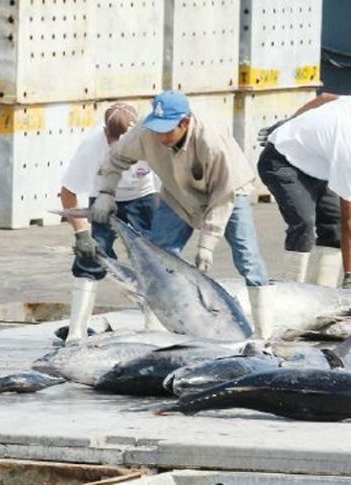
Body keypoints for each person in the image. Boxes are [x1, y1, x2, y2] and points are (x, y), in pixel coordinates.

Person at [88, 91, 274, 338]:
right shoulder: (146, 132)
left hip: (229, 193)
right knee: (159, 255)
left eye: (167, 130)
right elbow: (116, 159)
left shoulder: (211, 139)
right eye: (157, 129)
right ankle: (154, 328)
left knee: (247, 257)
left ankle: (264, 335)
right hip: (178, 196)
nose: (161, 136)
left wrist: (207, 245)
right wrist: (105, 193)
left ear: (185, 122)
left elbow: (223, 196)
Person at [257, 93, 351, 289]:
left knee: (333, 224)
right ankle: (291, 288)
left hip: (319, 165)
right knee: (304, 222)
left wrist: (292, 119)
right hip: (281, 159)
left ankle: (323, 290)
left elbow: (325, 97)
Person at [60, 103, 164, 344]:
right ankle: (76, 333)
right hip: (103, 199)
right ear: (106, 133)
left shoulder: (153, 142)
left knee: (151, 260)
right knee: (90, 258)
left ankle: (155, 325)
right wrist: (82, 233)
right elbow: (68, 193)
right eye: (114, 140)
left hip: (143, 196)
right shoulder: (92, 147)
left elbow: (166, 186)